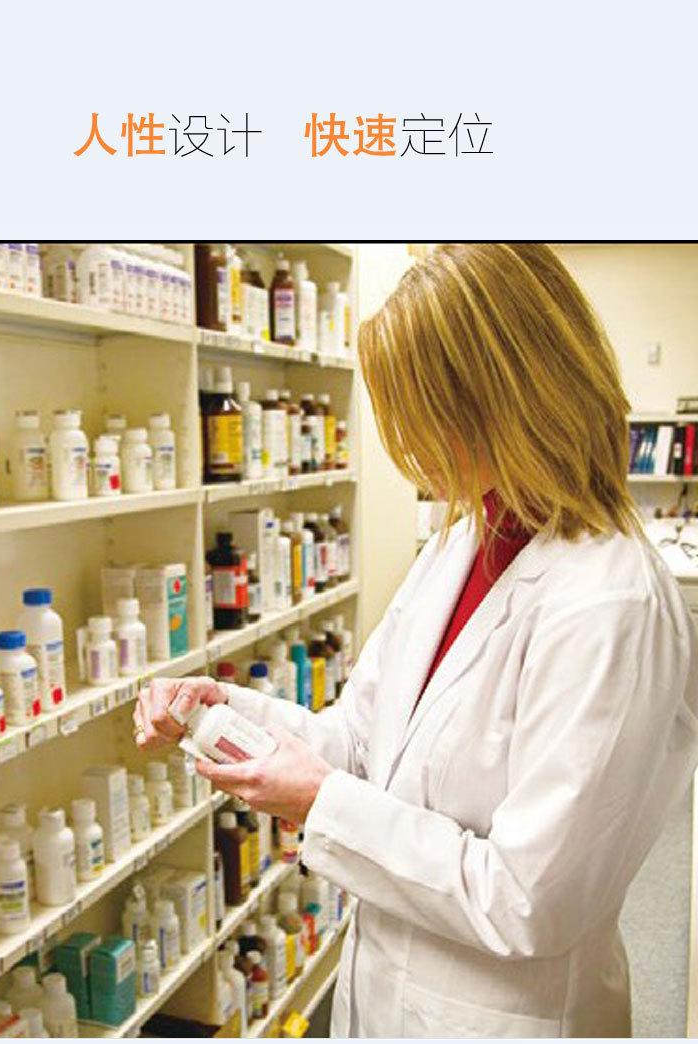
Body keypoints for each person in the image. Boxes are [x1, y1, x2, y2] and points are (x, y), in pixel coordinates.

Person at [133, 243, 698, 1037]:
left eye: (423, 415)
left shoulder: (609, 604)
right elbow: (365, 742)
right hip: (388, 994)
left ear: (505, 399)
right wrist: (224, 712)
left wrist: (320, 802)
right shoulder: (464, 539)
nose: (411, 450)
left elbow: (529, 900)